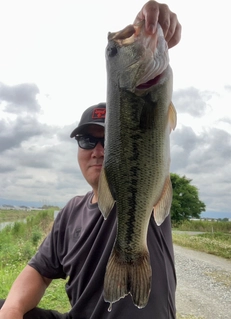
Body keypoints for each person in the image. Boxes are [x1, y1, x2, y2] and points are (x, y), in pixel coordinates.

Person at [0, 2, 181, 319]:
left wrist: (150, 27)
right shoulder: (71, 211)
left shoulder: (145, 203)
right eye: (87, 139)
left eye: (105, 139)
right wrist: (12, 309)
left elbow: (148, 113)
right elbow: (40, 271)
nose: (98, 149)